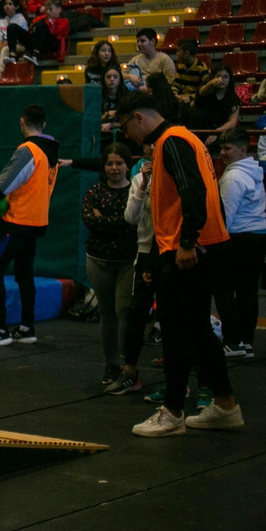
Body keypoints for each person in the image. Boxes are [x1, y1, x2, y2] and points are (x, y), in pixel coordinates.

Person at [117, 89, 244, 436]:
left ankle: (173, 411)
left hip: (186, 250)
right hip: (196, 245)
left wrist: (187, 242)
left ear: (139, 118)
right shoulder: (183, 138)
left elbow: (193, 192)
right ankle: (225, 405)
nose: (127, 136)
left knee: (176, 331)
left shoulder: (171, 142)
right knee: (198, 330)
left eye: (126, 127)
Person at [0, 104, 60, 347]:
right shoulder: (51, 153)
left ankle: (0, 329)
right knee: (24, 275)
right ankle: (26, 327)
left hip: (18, 222)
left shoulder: (28, 150)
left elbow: (6, 183)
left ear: (22, 122)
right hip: (37, 221)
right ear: (44, 125)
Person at [82, 144, 138, 387]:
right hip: (98, 260)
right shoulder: (94, 192)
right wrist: (121, 221)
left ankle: (127, 365)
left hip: (128, 261)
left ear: (127, 165)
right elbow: (90, 221)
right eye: (109, 163)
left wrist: (105, 220)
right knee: (106, 314)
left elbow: (134, 223)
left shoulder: (135, 192)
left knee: (124, 312)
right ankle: (111, 364)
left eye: (119, 163)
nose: (114, 168)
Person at [215, 130, 266, 359]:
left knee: (223, 289)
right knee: (248, 291)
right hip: (259, 235)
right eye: (221, 148)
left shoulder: (233, 178)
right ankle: (246, 342)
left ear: (243, 150)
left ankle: (233, 341)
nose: (222, 153)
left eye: (227, 148)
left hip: (238, 238)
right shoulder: (254, 172)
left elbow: (225, 217)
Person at [107, 152, 158, 397]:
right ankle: (130, 371)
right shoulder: (139, 179)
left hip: (170, 251)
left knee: (173, 318)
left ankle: (181, 381)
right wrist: (144, 185)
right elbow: (131, 217)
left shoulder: (177, 177)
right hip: (146, 251)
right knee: (135, 314)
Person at [190, 63, 241, 146]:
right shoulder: (207, 91)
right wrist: (211, 83)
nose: (221, 79)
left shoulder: (233, 98)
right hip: (201, 127)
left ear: (230, 79)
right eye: (218, 76)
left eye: (225, 77)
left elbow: (232, 122)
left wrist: (215, 132)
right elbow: (202, 92)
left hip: (221, 130)